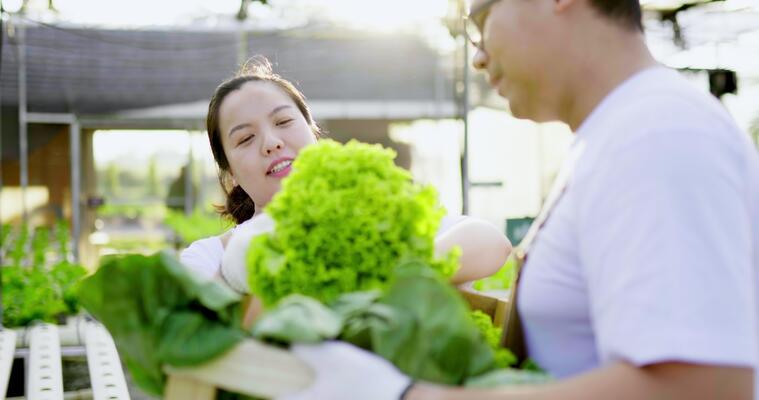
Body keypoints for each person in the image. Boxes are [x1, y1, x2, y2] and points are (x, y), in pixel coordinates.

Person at [279, 0, 759, 399]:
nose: (478, 57)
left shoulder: (656, 132)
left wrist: (413, 395)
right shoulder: (618, 133)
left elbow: (703, 386)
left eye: (481, 22)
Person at [180, 56, 512, 292]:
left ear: (312, 132)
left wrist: (373, 272)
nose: (271, 142)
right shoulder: (210, 258)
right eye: (246, 139)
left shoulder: (380, 219)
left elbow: (491, 243)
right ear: (230, 172)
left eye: (283, 122)